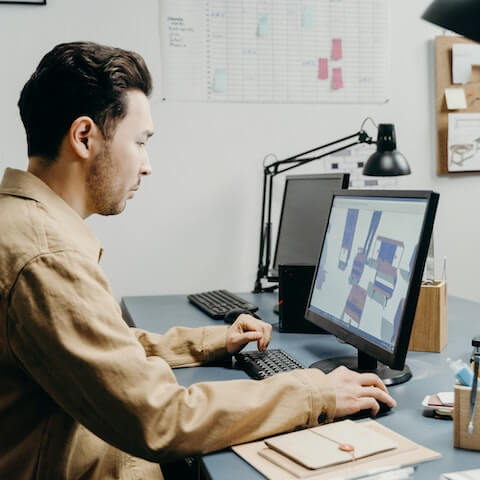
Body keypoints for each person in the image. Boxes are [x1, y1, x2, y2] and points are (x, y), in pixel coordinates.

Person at [0, 41, 396, 480]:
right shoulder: (45, 256)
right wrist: (313, 392)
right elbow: (161, 419)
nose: (146, 166)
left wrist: (209, 342)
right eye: (140, 142)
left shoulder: (22, 224)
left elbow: (100, 354)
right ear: (84, 137)